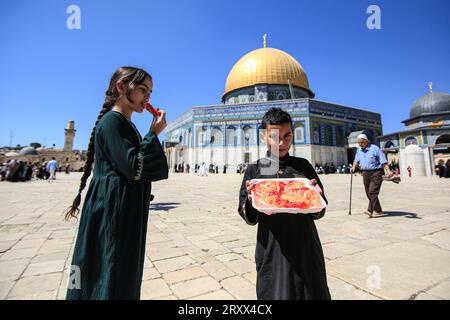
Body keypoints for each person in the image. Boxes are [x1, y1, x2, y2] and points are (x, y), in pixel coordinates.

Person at [65, 67, 168, 300]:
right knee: (110, 269)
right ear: (121, 87)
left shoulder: (126, 123)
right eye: (143, 90)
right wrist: (153, 134)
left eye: (150, 92)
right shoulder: (113, 121)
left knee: (119, 270)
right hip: (112, 211)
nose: (148, 98)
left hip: (120, 208)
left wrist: (151, 135)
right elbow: (134, 167)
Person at [238, 108, 331, 300]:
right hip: (272, 247)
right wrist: (250, 199)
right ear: (264, 136)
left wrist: (316, 197)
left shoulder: (303, 166)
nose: (282, 143)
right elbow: (249, 217)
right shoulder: (256, 169)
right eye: (275, 137)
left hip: (305, 245)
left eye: (287, 136)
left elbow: (319, 211)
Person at [352, 133, 392, 218]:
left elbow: (383, 161)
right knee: (368, 193)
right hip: (365, 173)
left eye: (362, 142)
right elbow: (356, 160)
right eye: (358, 142)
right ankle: (370, 210)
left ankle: (377, 210)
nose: (360, 144)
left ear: (366, 141)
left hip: (376, 172)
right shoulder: (359, 150)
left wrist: (388, 171)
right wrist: (353, 168)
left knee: (372, 192)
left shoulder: (375, 148)